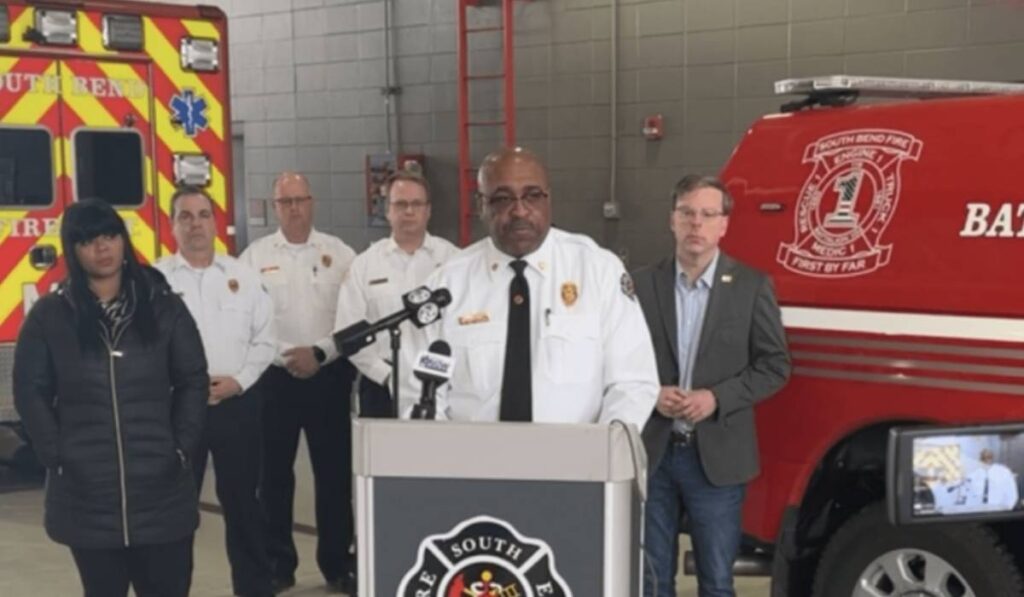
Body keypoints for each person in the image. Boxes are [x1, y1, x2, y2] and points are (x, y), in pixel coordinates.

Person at [13, 199, 208, 597]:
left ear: (123, 241)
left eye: (109, 236)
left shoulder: (164, 308)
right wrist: (56, 454)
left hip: (161, 492)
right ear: (73, 249)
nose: (102, 248)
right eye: (87, 240)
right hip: (87, 496)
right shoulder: (51, 316)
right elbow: (29, 390)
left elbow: (192, 380)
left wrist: (181, 449)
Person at [404, 146, 658, 428]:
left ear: (549, 200)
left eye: (532, 196)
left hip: (577, 464)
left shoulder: (598, 271)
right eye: (502, 199)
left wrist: (603, 455)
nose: (520, 210)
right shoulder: (446, 286)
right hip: (473, 465)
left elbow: (632, 382)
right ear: (480, 206)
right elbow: (419, 394)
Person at [633, 175, 791, 597]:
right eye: (687, 213)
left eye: (707, 215)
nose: (695, 225)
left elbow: (775, 365)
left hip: (718, 461)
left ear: (724, 225)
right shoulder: (640, 285)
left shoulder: (751, 287)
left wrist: (716, 398)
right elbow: (619, 361)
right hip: (655, 454)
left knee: (717, 582)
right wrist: (651, 393)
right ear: (672, 220)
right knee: (651, 580)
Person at [239, 171, 358, 594]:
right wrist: (287, 355)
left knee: (334, 475)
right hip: (275, 378)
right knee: (272, 477)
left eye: (300, 200)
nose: (294, 208)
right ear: (274, 207)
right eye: (285, 201)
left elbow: (352, 318)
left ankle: (337, 562)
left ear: (312, 203)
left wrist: (320, 353)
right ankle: (278, 563)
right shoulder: (253, 258)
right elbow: (248, 320)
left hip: (328, 375)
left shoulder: (340, 254)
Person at [155, 186, 276, 597]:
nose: (195, 224)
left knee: (244, 505)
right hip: (177, 410)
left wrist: (239, 380)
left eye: (202, 215)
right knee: (177, 510)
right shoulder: (155, 283)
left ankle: (255, 588)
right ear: (172, 225)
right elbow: (146, 350)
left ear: (214, 221)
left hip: (236, 405)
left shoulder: (243, 276)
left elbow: (266, 340)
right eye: (185, 216)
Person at [334, 169, 459, 417]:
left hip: (442, 382)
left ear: (428, 210)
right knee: (381, 456)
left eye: (416, 204)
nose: (409, 211)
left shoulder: (454, 261)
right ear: (388, 210)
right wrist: (388, 375)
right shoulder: (365, 265)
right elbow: (347, 329)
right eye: (400, 204)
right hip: (381, 385)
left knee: (441, 456)